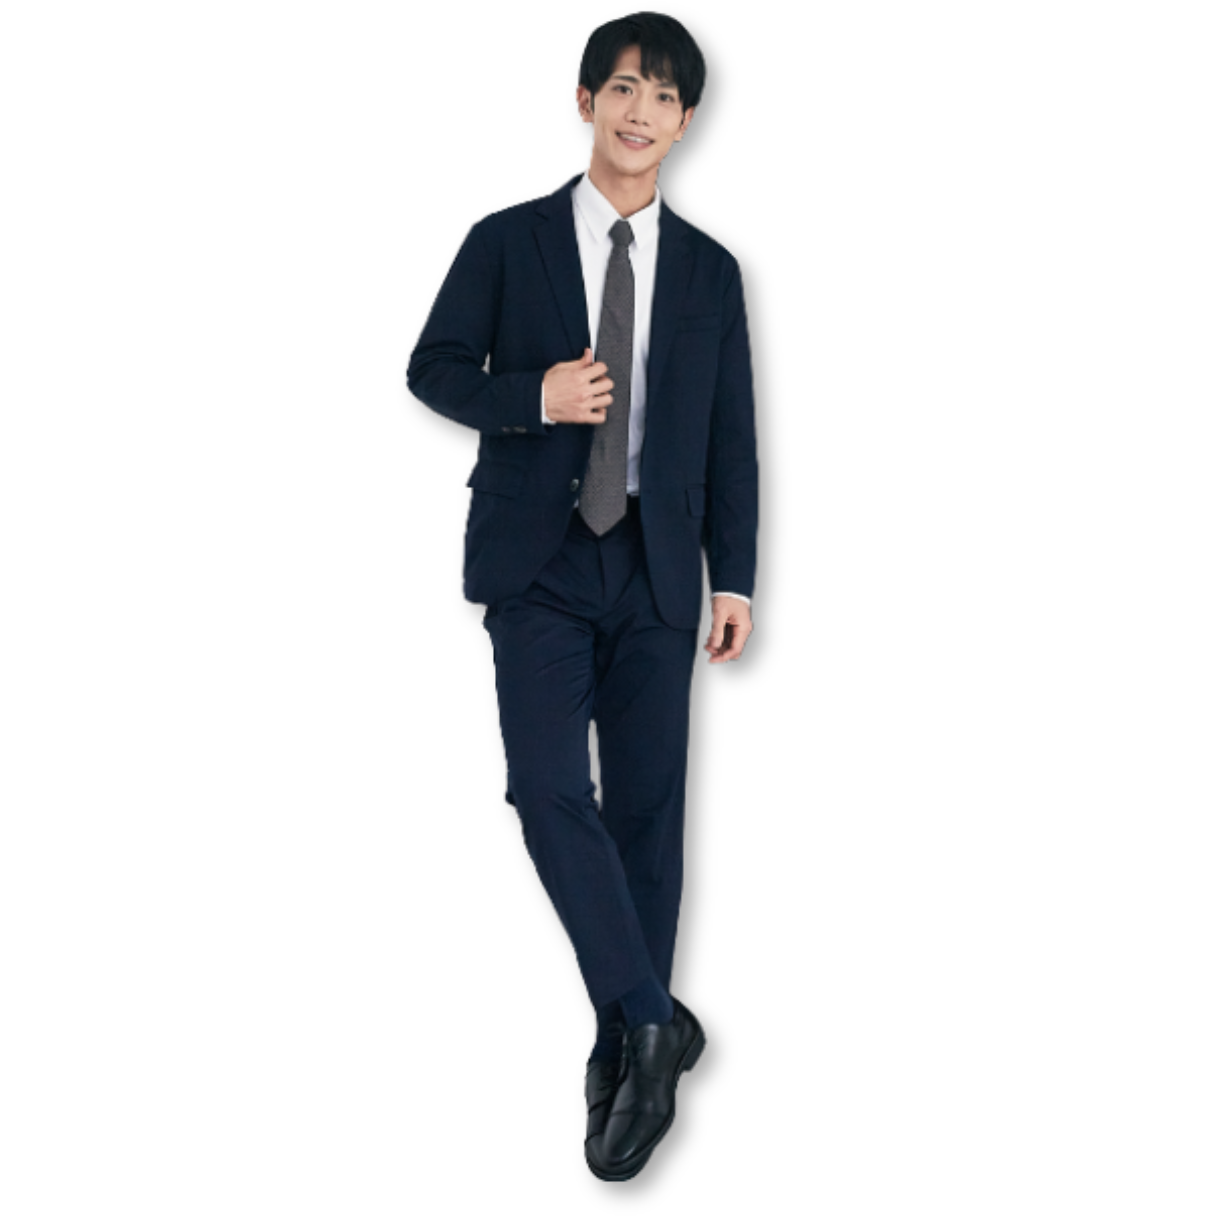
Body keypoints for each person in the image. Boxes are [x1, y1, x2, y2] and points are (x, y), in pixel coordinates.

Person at [406, 12, 757, 1181]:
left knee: (649, 813)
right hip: (540, 561)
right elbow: (432, 367)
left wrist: (736, 576)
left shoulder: (710, 272)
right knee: (549, 787)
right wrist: (534, 397)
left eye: (662, 96)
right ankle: (654, 1017)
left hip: (659, 564)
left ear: (686, 121)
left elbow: (733, 439)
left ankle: (625, 1047)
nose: (639, 111)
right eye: (621, 88)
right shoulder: (507, 241)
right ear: (584, 101)